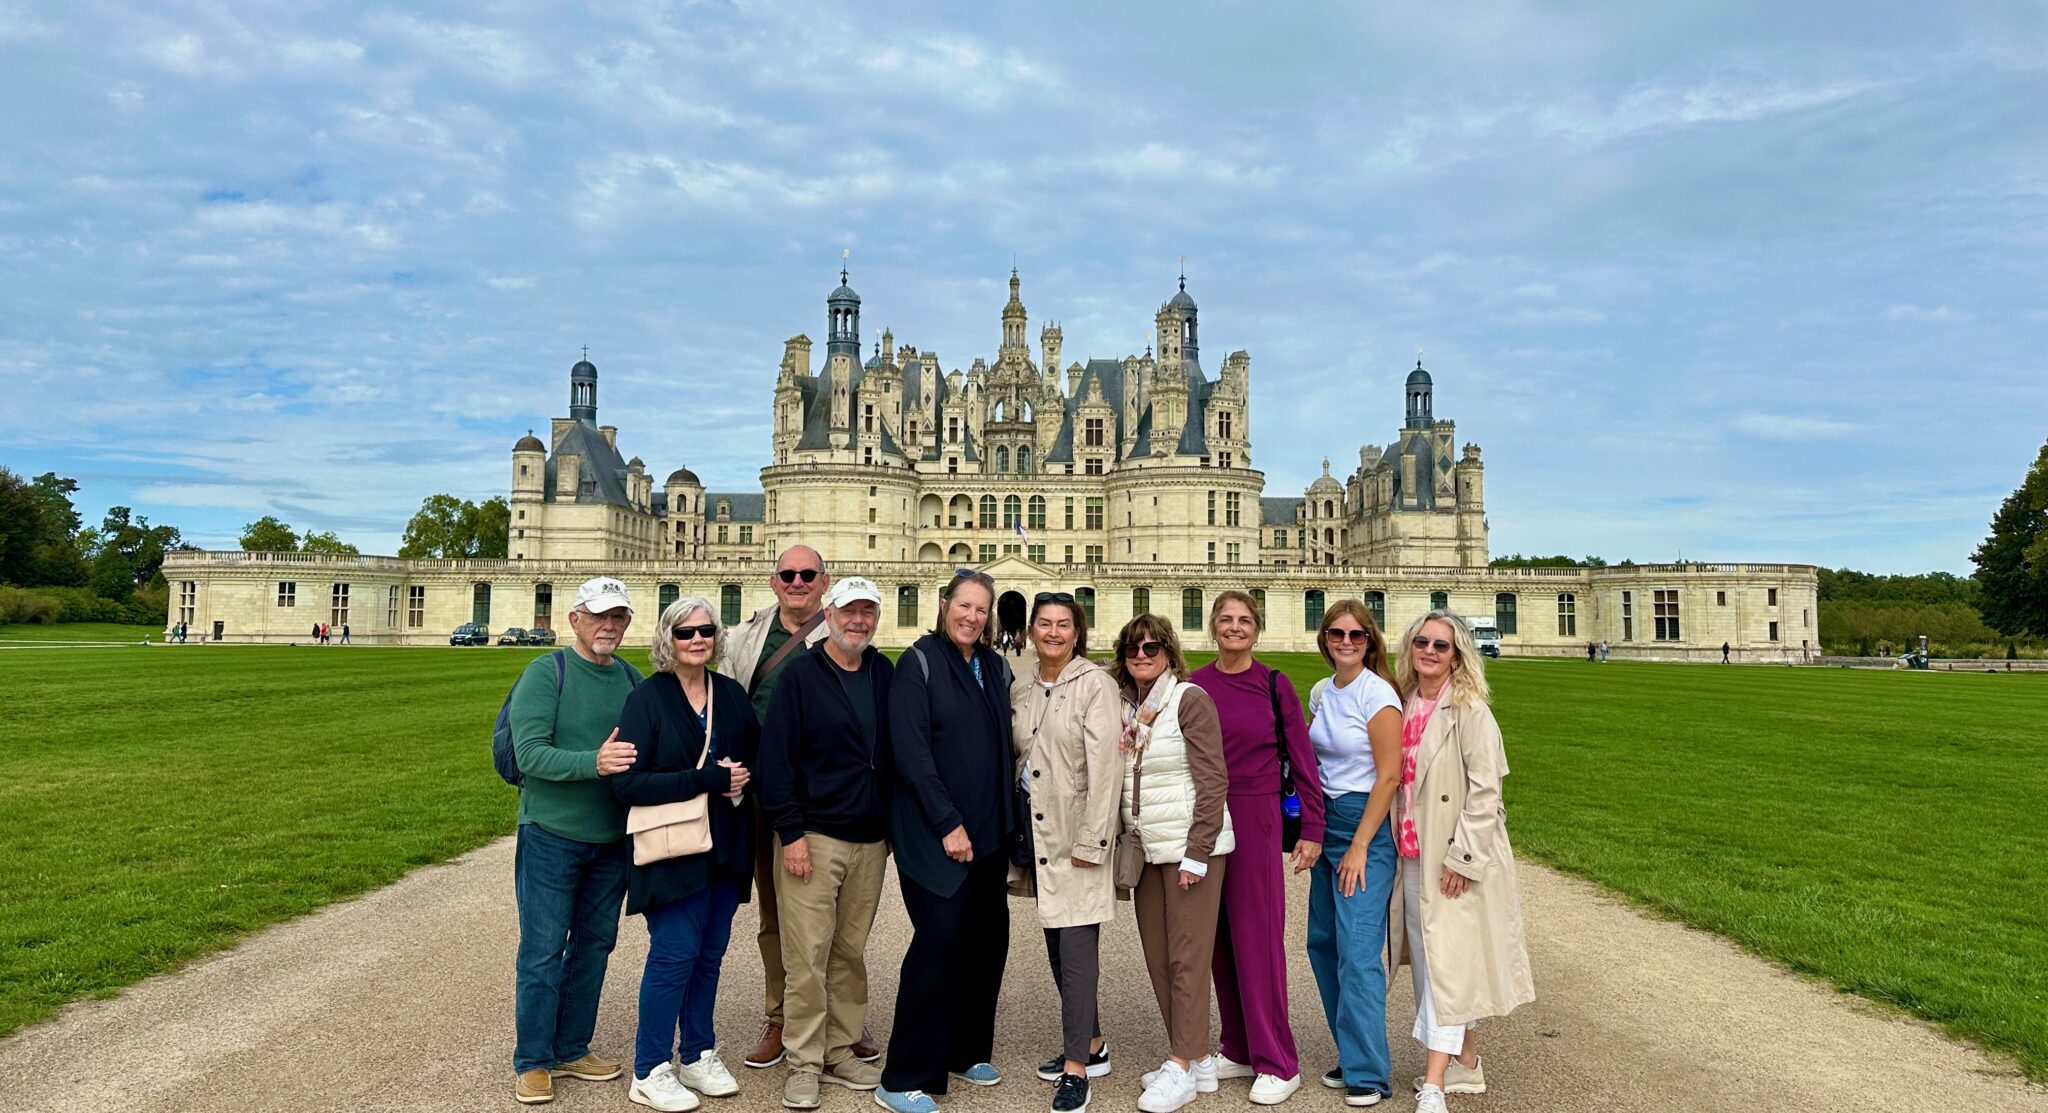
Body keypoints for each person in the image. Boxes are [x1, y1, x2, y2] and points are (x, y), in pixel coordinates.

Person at [610, 596, 760, 1111]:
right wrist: (704, 779)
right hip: (673, 850)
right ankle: (649, 1068)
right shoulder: (648, 700)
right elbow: (626, 784)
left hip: (724, 848)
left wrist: (740, 780)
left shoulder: (732, 695)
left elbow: (756, 760)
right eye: (684, 632)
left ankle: (696, 1053)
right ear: (667, 640)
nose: (697, 640)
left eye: (705, 631)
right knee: (674, 955)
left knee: (709, 957)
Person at [874, 570, 1015, 1113]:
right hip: (939, 836)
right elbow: (911, 754)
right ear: (943, 604)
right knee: (938, 946)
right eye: (964, 606)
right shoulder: (920, 662)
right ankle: (904, 1073)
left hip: (988, 834)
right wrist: (946, 822)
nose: (972, 617)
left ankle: (965, 1048)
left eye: (981, 610)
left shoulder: (992, 665)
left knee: (986, 945)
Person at [1389, 611, 1535, 1113]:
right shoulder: (1407, 703)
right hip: (1412, 853)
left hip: (1449, 856)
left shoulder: (1470, 710)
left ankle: (1433, 1084)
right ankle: (1465, 1062)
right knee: (1432, 963)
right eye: (1422, 642)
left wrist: (1463, 859)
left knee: (1446, 965)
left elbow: (1486, 793)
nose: (1429, 651)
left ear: (1458, 657)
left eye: (1441, 646)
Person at [755, 577, 893, 1110]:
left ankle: (839, 1048)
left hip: (869, 839)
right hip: (813, 835)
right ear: (829, 613)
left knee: (849, 951)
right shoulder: (801, 677)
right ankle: (805, 1061)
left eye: (867, 612)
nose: (858, 620)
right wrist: (790, 833)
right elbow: (776, 761)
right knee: (807, 955)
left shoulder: (883, 672)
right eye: (849, 611)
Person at [506, 577, 644, 1106]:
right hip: (551, 834)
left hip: (611, 839)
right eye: (599, 616)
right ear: (576, 620)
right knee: (542, 950)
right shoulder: (547, 673)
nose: (609, 626)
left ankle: (571, 1045)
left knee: (593, 947)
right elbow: (530, 755)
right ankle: (533, 1059)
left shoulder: (632, 679)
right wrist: (594, 762)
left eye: (618, 617)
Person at [716, 546, 849, 1070]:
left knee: (829, 917)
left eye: (807, 575)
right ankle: (782, 1017)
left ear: (825, 581)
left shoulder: (845, 631)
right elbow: (722, 706)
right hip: (757, 793)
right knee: (775, 915)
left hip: (819, 798)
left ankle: (836, 1023)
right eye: (788, 574)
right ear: (774, 582)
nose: (798, 582)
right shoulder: (747, 638)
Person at [1188, 591, 1323, 1105]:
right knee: (1217, 935)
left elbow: (1302, 757)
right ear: (1213, 627)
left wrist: (1312, 826)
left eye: (1245, 620)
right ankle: (1239, 1045)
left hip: (1256, 812)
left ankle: (1278, 1060)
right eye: (1226, 619)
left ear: (1257, 630)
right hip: (1206, 814)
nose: (1235, 627)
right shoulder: (1195, 684)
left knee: (1257, 936)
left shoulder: (1274, 684)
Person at [1113, 614, 1234, 1113]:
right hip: (1146, 848)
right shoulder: (1128, 707)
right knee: (1160, 959)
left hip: (1188, 849)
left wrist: (1198, 852)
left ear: (1169, 652)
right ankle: (1196, 1056)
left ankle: (1182, 1064)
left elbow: (1214, 780)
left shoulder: (1189, 699)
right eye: (1133, 649)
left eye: (1152, 647)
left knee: (1187, 959)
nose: (1142, 655)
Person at [1012, 591, 1123, 1113]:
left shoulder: (1095, 685)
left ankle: (1077, 1069)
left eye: (1063, 624)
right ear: (1032, 630)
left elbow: (1107, 770)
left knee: (1077, 950)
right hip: (1039, 835)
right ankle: (1093, 1042)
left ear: (1078, 633)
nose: (1053, 633)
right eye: (1045, 624)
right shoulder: (1025, 687)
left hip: (1077, 835)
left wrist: (1093, 839)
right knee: (1058, 943)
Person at [1302, 601, 1404, 1107]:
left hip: (1363, 826)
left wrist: (1361, 845)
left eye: (1357, 635)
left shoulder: (1377, 693)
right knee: (1322, 943)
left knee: (1359, 950)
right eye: (1337, 633)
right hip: (1326, 824)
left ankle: (1369, 1072)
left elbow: (1389, 775)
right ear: (1325, 639)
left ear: (1370, 641)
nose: (1346, 641)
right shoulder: (1323, 692)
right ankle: (1352, 1051)